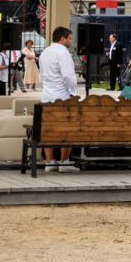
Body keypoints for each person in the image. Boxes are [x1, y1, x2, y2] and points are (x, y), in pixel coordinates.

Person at [38, 27, 79, 172]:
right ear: (62, 38)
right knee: (66, 130)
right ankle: (64, 162)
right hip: (62, 97)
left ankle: (50, 162)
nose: (70, 41)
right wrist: (74, 93)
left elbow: (41, 75)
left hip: (46, 96)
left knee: (48, 130)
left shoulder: (44, 52)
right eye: (69, 38)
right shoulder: (63, 53)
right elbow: (68, 76)